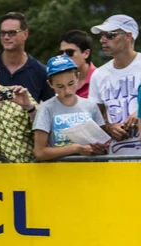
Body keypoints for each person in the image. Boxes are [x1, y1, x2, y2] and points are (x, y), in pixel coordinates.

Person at [33, 56, 107, 161]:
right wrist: (76, 148)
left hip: (89, 171)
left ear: (78, 77)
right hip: (60, 173)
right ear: (50, 84)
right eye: (60, 86)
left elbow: (103, 145)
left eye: (71, 84)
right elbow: (39, 152)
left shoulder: (90, 105)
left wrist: (99, 149)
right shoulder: (46, 108)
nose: (67, 91)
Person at [88, 14, 141, 155]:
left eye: (110, 35)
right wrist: (109, 127)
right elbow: (95, 116)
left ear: (128, 37)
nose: (102, 40)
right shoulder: (99, 74)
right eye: (102, 35)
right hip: (117, 159)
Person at [0, 12, 54, 103]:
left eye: (12, 33)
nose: (6, 37)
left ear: (25, 34)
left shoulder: (41, 72)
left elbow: (50, 109)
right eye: (2, 33)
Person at [59, 30, 96, 99]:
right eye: (61, 53)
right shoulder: (58, 81)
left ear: (86, 53)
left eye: (69, 52)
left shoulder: (101, 79)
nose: (63, 57)